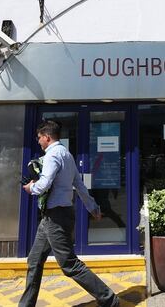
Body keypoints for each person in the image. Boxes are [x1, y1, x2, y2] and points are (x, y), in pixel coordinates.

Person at [20, 120, 120, 307]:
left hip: (55, 217)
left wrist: (30, 187)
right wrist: (93, 208)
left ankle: (109, 299)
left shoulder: (52, 156)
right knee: (34, 260)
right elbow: (80, 186)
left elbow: (43, 185)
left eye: (39, 137)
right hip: (54, 216)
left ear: (47, 137)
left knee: (69, 264)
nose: (38, 141)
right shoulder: (67, 154)